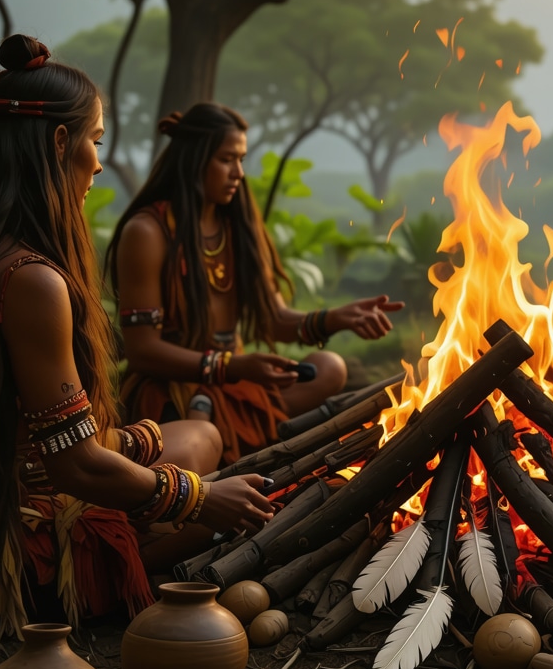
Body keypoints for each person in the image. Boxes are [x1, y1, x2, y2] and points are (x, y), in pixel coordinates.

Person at [0, 36, 274, 642]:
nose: (97, 162)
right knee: (219, 513)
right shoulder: (31, 279)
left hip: (10, 480)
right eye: (95, 140)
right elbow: (76, 465)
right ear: (59, 143)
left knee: (199, 436)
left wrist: (143, 448)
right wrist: (197, 499)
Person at [107, 104, 404, 467]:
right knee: (197, 432)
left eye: (241, 159)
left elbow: (274, 318)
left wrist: (335, 319)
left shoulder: (237, 226)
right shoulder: (147, 232)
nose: (238, 173)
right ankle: (224, 438)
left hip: (238, 382)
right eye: (226, 160)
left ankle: (230, 434)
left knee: (330, 367)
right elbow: (142, 351)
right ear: (193, 160)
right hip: (172, 388)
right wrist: (231, 367)